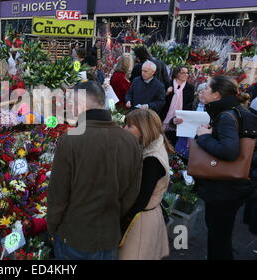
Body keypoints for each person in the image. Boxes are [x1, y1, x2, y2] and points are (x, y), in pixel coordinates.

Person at [47, 81, 142, 260]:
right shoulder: (129, 140)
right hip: (109, 234)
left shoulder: (71, 140)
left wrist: (53, 227)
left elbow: (57, 195)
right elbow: (132, 193)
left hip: (75, 237)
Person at [192, 75, 256, 260]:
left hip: (224, 189)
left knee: (219, 237)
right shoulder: (234, 111)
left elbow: (229, 151)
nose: (203, 91)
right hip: (233, 187)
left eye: (207, 89)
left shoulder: (226, 116)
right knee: (221, 235)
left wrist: (204, 136)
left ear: (217, 95)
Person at [120, 109, 173, 260]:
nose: (124, 129)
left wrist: (122, 219)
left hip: (140, 222)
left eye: (129, 126)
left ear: (144, 129)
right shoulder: (155, 146)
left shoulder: (152, 160)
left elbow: (140, 198)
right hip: (147, 215)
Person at [160, 66, 195, 145]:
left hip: (180, 117)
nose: (185, 75)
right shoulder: (168, 84)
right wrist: (167, 93)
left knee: (174, 140)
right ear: (176, 73)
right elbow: (160, 100)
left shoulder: (190, 88)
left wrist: (183, 116)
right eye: (183, 73)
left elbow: (189, 104)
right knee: (161, 137)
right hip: (165, 115)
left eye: (187, 73)